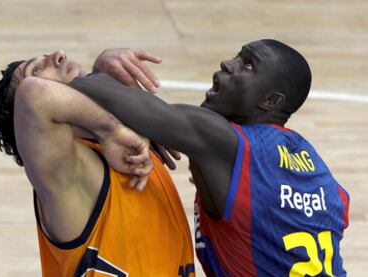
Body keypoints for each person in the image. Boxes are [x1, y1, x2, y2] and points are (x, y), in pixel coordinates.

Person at [53, 39, 348, 276]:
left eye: (247, 65)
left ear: (270, 102)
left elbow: (95, 91)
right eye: (237, 55)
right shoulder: (313, 165)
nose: (228, 63)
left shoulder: (225, 143)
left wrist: (100, 68)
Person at [0, 49, 194, 276]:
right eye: (36, 70)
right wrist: (110, 129)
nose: (58, 55)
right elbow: (34, 95)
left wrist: (104, 78)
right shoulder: (69, 176)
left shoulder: (129, 142)